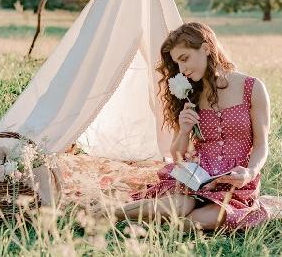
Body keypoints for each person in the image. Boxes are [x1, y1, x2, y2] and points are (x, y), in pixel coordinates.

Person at [113, 22, 271, 231]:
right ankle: (109, 212)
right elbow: (177, 155)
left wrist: (250, 173)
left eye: (184, 59)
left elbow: (261, 144)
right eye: (177, 63)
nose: (182, 69)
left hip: (235, 183)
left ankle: (145, 227)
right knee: (178, 206)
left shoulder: (251, 87)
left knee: (191, 223)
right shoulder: (189, 95)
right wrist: (185, 130)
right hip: (195, 177)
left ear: (206, 48)